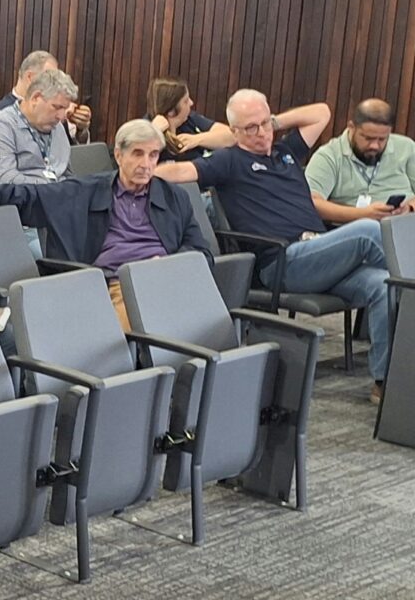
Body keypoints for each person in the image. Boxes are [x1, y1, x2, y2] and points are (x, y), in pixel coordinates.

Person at [156, 89, 392, 391]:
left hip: (321, 256)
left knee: (384, 284)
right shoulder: (229, 160)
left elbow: (321, 111)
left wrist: (271, 120)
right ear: (234, 132)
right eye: (251, 128)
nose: (262, 133)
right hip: (284, 262)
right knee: (368, 229)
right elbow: (178, 171)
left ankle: (384, 383)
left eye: (265, 124)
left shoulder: (286, 152)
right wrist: (142, 169)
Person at [0, 119, 214, 323]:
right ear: (118, 155)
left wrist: (170, 265)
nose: (146, 164)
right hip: (116, 284)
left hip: (167, 280)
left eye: (153, 155)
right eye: (137, 154)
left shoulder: (174, 197)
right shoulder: (86, 191)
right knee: (152, 329)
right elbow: (33, 195)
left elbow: (201, 250)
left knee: (207, 327)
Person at [306, 97, 415, 223]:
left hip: (406, 226)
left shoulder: (406, 148)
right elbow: (312, 202)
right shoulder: (329, 155)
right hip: (355, 231)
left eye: (382, 139)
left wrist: (409, 209)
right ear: (351, 127)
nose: (375, 145)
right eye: (368, 138)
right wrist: (362, 215)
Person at [0, 67, 78, 187]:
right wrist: (54, 189)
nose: (61, 116)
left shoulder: (57, 128)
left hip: (59, 200)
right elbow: (6, 182)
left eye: (64, 108)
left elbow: (68, 175)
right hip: (21, 203)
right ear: (35, 98)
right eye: (57, 107)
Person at [0, 50, 93, 139]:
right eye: (48, 77)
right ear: (30, 77)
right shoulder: (1, 117)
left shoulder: (59, 114)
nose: (56, 82)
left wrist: (80, 129)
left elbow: (71, 151)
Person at [149, 78, 224, 163]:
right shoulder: (148, 127)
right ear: (171, 111)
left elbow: (231, 136)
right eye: (185, 101)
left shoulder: (189, 119)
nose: (191, 103)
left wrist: (197, 139)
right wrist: (153, 131)